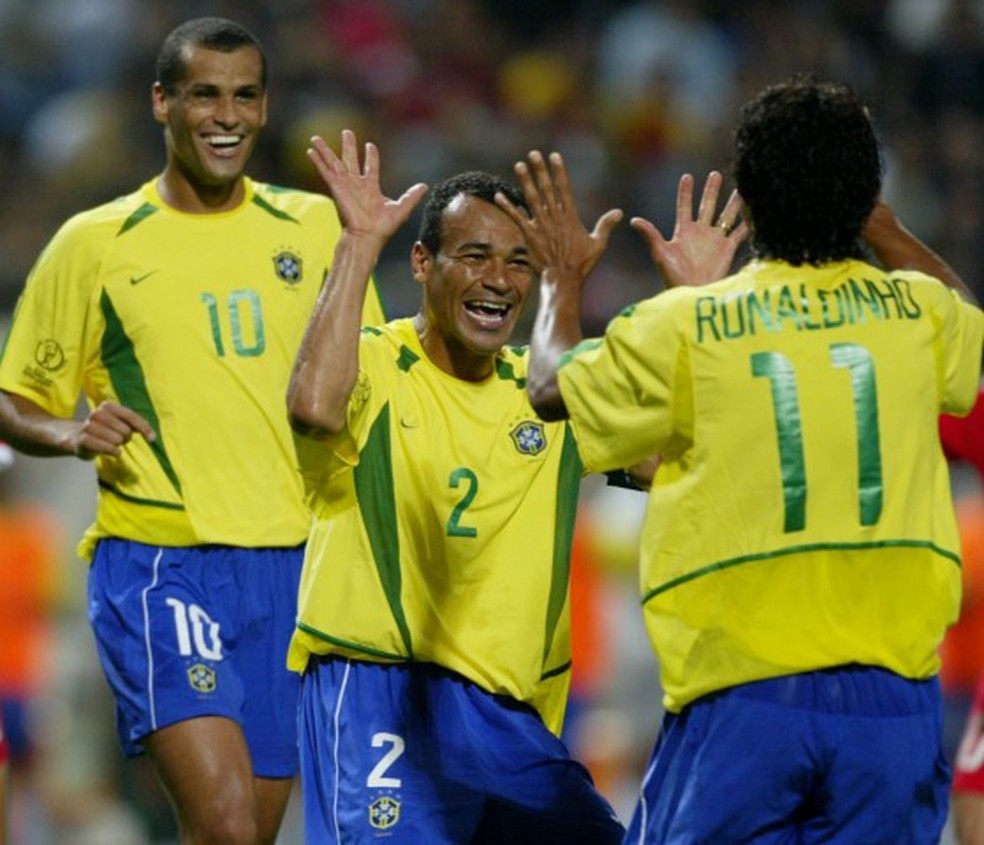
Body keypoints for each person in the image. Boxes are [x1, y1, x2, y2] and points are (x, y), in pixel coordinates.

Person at [520, 76, 984, 843]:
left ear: (751, 196)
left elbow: (548, 384)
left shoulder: (689, 324)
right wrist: (884, 224)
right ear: (864, 193)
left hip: (742, 698)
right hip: (892, 703)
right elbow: (965, 313)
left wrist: (560, 279)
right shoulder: (918, 314)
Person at [0, 17, 384, 844]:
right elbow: (13, 396)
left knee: (251, 829)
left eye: (245, 95)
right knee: (225, 824)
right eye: (204, 93)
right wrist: (68, 435)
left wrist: (362, 246)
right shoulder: (95, 243)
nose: (226, 115)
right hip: (161, 561)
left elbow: (361, 394)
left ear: (265, 107)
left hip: (292, 572)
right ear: (161, 103)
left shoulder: (317, 230)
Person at [285, 128, 630, 843]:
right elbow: (313, 409)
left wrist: (698, 295)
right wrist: (357, 242)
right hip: (384, 692)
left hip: (512, 723)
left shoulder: (549, 393)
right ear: (422, 261)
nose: (498, 280)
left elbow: (686, 451)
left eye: (518, 263)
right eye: (474, 256)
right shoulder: (374, 361)